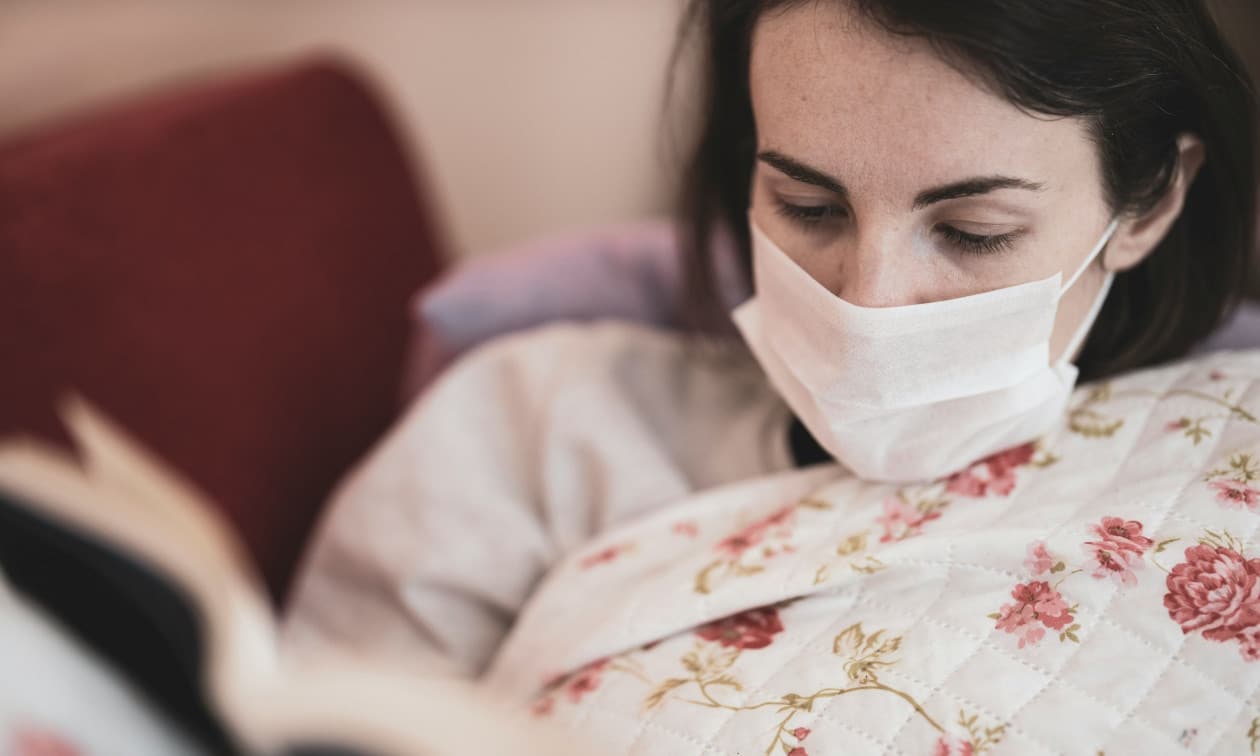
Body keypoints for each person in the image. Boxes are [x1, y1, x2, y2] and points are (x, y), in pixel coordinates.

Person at [284, 1, 1258, 751]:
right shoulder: (537, 428)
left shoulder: (1231, 446)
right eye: (809, 207)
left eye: (973, 232)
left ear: (1149, 204)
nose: (871, 300)